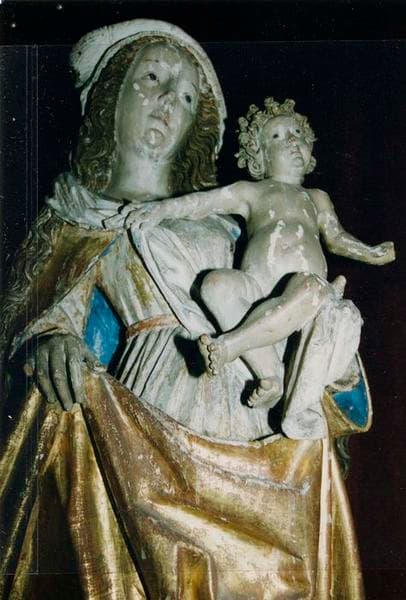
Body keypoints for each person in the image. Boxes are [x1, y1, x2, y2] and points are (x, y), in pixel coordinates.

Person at [0, 20, 370, 599]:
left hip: (254, 424)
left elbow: (285, 318)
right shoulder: (74, 219)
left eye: (190, 96)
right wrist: (50, 342)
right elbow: (41, 316)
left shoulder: (230, 225)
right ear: (112, 92)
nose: (171, 101)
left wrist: (332, 359)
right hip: (146, 422)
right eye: (152, 77)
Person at [116, 97, 394, 429]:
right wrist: (160, 209)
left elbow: (335, 237)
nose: (291, 141)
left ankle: (231, 345)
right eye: (277, 136)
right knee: (215, 285)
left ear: (310, 148)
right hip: (257, 287)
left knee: (311, 287)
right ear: (258, 155)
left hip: (305, 295)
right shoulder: (251, 192)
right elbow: (203, 203)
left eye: (297, 133)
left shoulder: (316, 198)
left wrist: (370, 252)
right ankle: (270, 374)